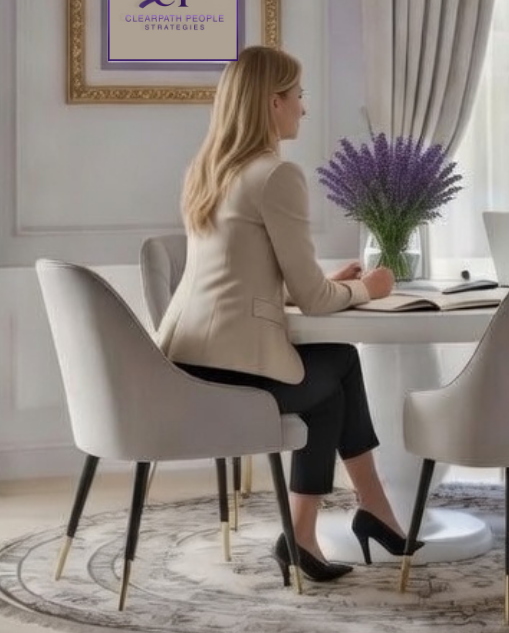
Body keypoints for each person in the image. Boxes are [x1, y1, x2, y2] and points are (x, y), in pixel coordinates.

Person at [157, 45, 418, 586]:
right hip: (231, 372)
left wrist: (333, 284)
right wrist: (368, 287)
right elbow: (317, 302)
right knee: (339, 366)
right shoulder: (275, 175)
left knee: (330, 378)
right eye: (298, 95)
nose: (304, 107)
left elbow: (245, 280)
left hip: (186, 362)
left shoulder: (210, 170)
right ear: (274, 102)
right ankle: (364, 512)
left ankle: (311, 535)